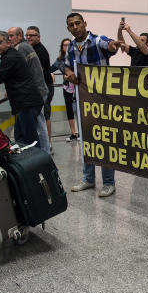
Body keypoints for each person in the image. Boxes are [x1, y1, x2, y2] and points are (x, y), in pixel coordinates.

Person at [63, 12, 123, 198]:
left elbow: (110, 45)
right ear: (68, 28)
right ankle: (88, 179)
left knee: (104, 140)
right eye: (71, 25)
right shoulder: (71, 46)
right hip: (82, 101)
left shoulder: (97, 41)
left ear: (84, 23)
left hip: (102, 101)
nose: (75, 27)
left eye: (78, 23)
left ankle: (108, 183)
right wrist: (68, 74)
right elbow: (65, 65)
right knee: (87, 140)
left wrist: (114, 43)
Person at [7, 27, 50, 153]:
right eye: (8, 36)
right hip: (38, 91)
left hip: (35, 92)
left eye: (11, 36)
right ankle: (43, 152)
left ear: (19, 36)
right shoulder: (26, 47)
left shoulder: (21, 48)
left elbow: (18, 70)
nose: (9, 39)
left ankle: (43, 153)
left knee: (36, 125)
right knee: (36, 123)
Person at [26, 26, 55, 142]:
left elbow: (39, 72)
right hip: (41, 88)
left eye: (31, 35)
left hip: (44, 88)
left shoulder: (40, 51)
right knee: (40, 117)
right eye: (27, 35)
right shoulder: (32, 49)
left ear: (38, 37)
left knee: (44, 116)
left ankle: (48, 143)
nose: (28, 37)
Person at [50, 38, 79, 142]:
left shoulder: (76, 56)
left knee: (79, 110)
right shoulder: (59, 60)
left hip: (79, 87)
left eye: (68, 45)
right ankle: (73, 133)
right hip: (67, 87)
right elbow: (50, 69)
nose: (66, 47)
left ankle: (81, 132)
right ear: (62, 48)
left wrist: (70, 76)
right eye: (64, 45)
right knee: (69, 109)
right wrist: (51, 73)